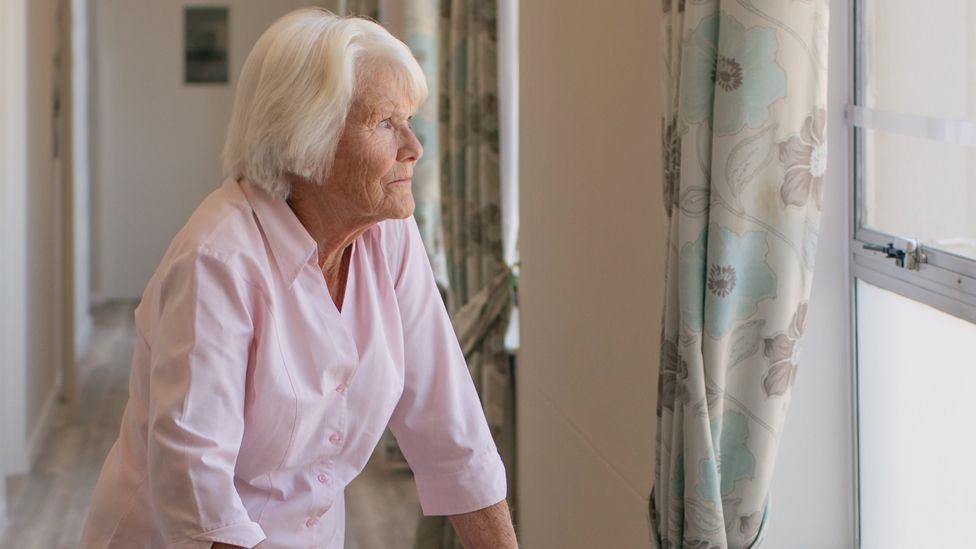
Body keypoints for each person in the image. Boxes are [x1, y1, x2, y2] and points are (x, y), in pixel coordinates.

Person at [79, 8, 517, 549]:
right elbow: (199, 496)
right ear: (304, 138)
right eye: (385, 123)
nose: (414, 147)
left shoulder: (387, 233)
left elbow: (453, 433)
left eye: (409, 119)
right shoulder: (217, 261)